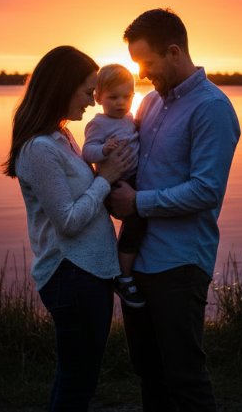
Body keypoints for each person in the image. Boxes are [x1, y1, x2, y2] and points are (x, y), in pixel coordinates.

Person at [108, 8, 240, 411]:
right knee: (149, 371)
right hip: (139, 262)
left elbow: (206, 191)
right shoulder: (148, 103)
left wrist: (137, 202)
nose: (142, 73)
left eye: (146, 62)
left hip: (180, 263)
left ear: (174, 51)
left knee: (185, 377)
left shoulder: (212, 108)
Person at [3, 45, 136, 412]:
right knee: (78, 381)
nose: (93, 102)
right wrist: (105, 179)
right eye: (87, 92)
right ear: (62, 88)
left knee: (77, 377)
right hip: (71, 274)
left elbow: (84, 201)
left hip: (88, 272)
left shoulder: (63, 137)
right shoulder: (40, 149)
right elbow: (68, 220)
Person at [82, 63, 147, 309]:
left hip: (133, 179)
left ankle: (127, 264)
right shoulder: (98, 124)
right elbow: (87, 152)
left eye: (126, 97)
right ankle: (124, 275)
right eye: (113, 97)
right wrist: (103, 150)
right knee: (137, 220)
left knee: (142, 218)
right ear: (98, 97)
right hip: (114, 183)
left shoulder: (129, 119)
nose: (121, 103)